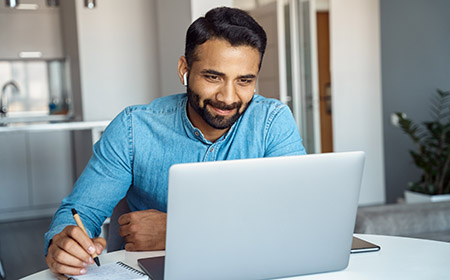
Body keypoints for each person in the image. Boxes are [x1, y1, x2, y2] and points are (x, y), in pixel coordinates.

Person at [44, 6, 306, 276]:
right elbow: (80, 212)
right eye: (213, 77)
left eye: (244, 80)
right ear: (185, 69)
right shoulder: (133, 128)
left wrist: (179, 230)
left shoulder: (272, 121)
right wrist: (62, 244)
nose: (228, 97)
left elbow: (297, 218)